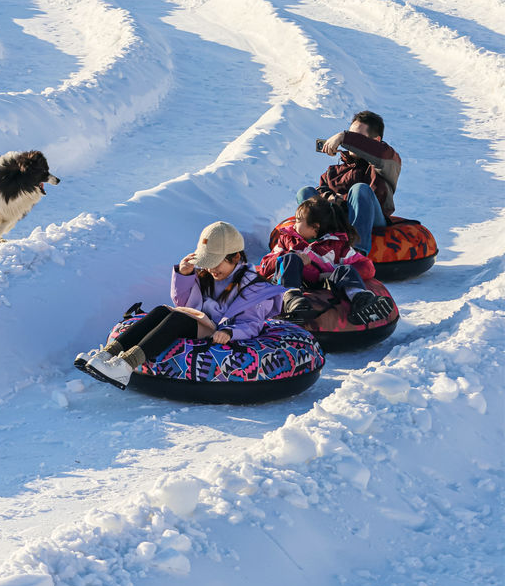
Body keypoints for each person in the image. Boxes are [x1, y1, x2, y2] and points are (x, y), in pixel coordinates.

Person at [76, 221, 284, 389]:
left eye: (216, 262)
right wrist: (184, 276)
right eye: (207, 262)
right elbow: (184, 303)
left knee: (178, 318)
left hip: (216, 329)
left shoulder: (253, 287)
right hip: (197, 320)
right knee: (160, 311)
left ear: (236, 257)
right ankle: (107, 355)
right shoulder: (209, 276)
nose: (211, 269)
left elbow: (252, 323)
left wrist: (231, 332)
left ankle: (126, 365)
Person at [258, 195, 394, 325]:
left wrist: (333, 273)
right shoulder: (287, 240)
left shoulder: (336, 245)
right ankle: (291, 300)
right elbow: (265, 265)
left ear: (315, 228)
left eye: (299, 221)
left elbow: (366, 266)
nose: (294, 224)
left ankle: (362, 300)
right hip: (290, 279)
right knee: (291, 259)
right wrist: (289, 258)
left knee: (345, 269)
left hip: (322, 282)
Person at [297, 111, 401, 254]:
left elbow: (380, 153)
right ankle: (314, 249)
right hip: (338, 219)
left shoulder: (386, 162)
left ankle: (357, 253)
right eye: (350, 135)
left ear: (375, 140)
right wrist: (330, 198)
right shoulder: (334, 171)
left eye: (356, 138)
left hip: (373, 219)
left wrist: (343, 137)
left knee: (360, 189)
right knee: (306, 192)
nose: (348, 144)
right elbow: (322, 189)